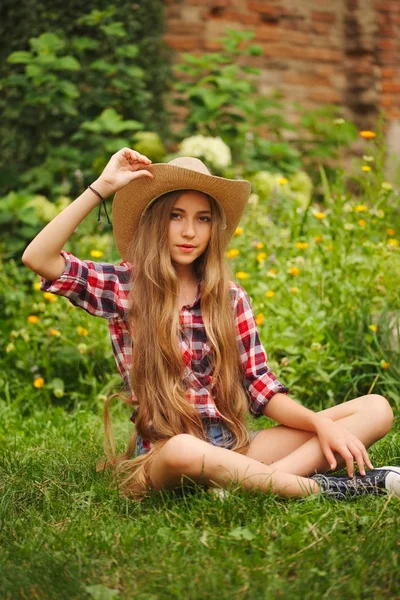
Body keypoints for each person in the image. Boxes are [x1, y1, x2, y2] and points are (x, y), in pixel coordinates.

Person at [22, 147, 400, 502]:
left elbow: (261, 389)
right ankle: (319, 488)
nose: (190, 232)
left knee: (376, 408)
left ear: (213, 228)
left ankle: (247, 485)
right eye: (176, 216)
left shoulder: (230, 298)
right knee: (186, 450)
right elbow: (39, 257)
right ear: (156, 221)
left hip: (233, 446)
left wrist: (321, 424)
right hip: (166, 452)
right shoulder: (126, 287)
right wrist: (101, 187)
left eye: (202, 219)